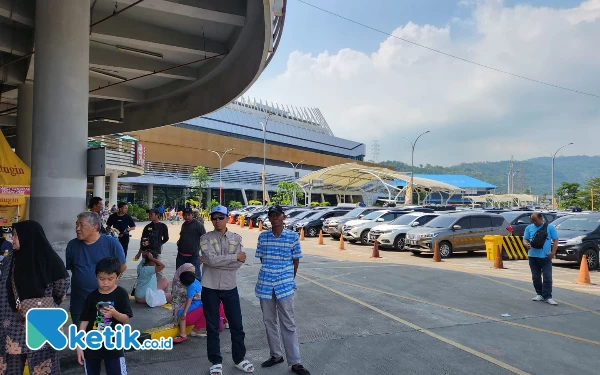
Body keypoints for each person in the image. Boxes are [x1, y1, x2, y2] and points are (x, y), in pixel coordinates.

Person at [0, 221, 70, 374]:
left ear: (28, 236)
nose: (12, 239)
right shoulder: (9, 260)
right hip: (11, 327)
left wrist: (44, 303)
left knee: (43, 367)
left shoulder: (48, 260)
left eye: (16, 235)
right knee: (10, 369)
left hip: (41, 325)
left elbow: (61, 287)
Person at [255, 205, 310, 375]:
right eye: (272, 215)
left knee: (288, 323)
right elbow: (262, 259)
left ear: (283, 217)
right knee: (269, 321)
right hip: (265, 284)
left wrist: (287, 278)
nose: (275, 218)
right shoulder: (263, 237)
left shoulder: (292, 237)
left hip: (284, 285)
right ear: (269, 218)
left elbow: (296, 260)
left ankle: (295, 362)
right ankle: (276, 354)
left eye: (277, 215)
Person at [200, 205, 254, 375]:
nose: (217, 221)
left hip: (230, 286)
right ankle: (216, 361)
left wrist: (216, 261)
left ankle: (239, 358)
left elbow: (239, 263)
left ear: (227, 218)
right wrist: (232, 257)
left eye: (220, 217)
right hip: (210, 287)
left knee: (237, 324)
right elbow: (211, 259)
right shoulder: (205, 238)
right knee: (213, 326)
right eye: (214, 218)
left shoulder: (236, 238)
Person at [66, 212, 127, 327]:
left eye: (81, 225)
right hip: (80, 303)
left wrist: (107, 283)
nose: (77, 229)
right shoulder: (72, 245)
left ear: (94, 227)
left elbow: (122, 266)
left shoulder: (111, 243)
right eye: (76, 225)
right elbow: (72, 268)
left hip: (104, 303)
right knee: (81, 339)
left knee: (102, 337)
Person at [76, 257, 133, 375]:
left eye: (110, 279)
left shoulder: (121, 294)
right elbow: (84, 320)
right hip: (92, 344)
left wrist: (114, 313)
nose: (105, 282)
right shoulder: (92, 296)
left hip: (113, 345)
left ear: (117, 277)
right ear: (96, 276)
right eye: (101, 279)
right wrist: (79, 345)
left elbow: (126, 319)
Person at [523, 212, 559, 305]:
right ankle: (539, 294)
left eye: (535, 220)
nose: (534, 222)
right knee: (536, 277)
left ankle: (548, 296)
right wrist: (526, 244)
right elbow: (525, 239)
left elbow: (555, 240)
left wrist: (553, 253)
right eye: (532, 220)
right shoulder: (529, 228)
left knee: (547, 277)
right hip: (533, 256)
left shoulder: (550, 228)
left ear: (541, 218)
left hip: (545, 257)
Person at [173, 271, 207, 343]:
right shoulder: (196, 281)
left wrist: (184, 313)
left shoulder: (191, 287)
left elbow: (189, 300)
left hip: (197, 304)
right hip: (203, 304)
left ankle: (183, 334)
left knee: (180, 313)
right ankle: (197, 329)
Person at [136, 209, 169, 280]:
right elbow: (143, 241)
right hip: (146, 252)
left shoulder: (163, 226)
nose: (149, 216)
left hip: (156, 251)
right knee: (146, 268)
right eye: (149, 214)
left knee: (158, 270)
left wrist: (159, 243)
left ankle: (157, 285)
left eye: (151, 214)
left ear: (157, 215)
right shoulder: (147, 227)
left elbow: (166, 238)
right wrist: (139, 253)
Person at [176, 208, 206, 281]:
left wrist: (204, 254)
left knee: (196, 275)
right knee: (179, 274)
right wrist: (179, 241)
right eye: (185, 215)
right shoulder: (184, 224)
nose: (187, 217)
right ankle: (180, 290)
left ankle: (197, 291)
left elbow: (205, 239)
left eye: (188, 215)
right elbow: (182, 235)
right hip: (181, 255)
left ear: (192, 215)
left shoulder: (198, 225)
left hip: (193, 255)